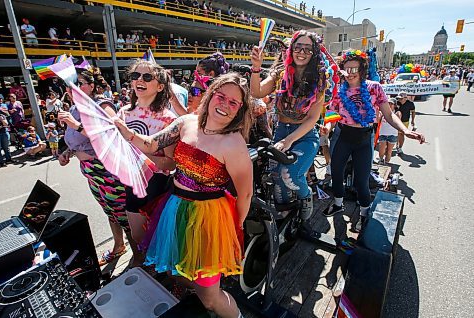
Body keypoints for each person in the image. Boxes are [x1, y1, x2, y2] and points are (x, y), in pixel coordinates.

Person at [114, 73, 253, 318]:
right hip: (175, 207)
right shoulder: (187, 122)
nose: (225, 105)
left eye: (234, 102)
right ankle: (188, 291)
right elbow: (151, 144)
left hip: (210, 219)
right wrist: (127, 133)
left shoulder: (234, 143)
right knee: (174, 267)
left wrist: (236, 226)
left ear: (240, 110)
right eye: (221, 96)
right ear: (211, 95)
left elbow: (246, 193)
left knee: (210, 298)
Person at [321, 49, 425, 230]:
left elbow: (389, 114)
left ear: (362, 69)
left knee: (361, 180)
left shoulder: (374, 87)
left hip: (364, 138)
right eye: (347, 69)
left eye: (354, 69)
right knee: (336, 173)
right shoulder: (340, 90)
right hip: (343, 135)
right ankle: (338, 204)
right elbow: (332, 113)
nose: (350, 73)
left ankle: (363, 213)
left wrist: (404, 131)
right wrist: (327, 127)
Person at [250, 30, 328, 228]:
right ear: (291, 50)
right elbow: (256, 91)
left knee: (290, 175)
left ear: (314, 52)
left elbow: (312, 118)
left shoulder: (320, 79)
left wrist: (289, 140)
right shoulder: (279, 74)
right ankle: (285, 214)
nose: (301, 52)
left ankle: (306, 196)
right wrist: (256, 68)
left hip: (304, 135)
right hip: (281, 131)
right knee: (277, 177)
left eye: (307, 48)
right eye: (298, 47)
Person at [57, 66, 132, 267]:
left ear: (91, 86)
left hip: (107, 170)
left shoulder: (103, 105)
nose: (72, 89)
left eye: (78, 84)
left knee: (123, 214)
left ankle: (140, 255)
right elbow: (76, 141)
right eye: (68, 86)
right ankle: (119, 246)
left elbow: (109, 137)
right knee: (109, 211)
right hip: (90, 171)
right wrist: (67, 152)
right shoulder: (73, 109)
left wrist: (76, 125)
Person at [117, 60, 177, 267]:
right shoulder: (123, 112)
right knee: (137, 234)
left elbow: (170, 164)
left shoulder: (168, 119)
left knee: (150, 233)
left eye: (147, 77)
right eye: (135, 76)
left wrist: (139, 150)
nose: (139, 80)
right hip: (128, 179)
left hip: (154, 183)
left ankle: (160, 268)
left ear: (160, 86)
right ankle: (149, 263)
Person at [377, 98, 401, 164]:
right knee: (381, 149)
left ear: (395, 105)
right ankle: (381, 160)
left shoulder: (397, 113)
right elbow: (377, 119)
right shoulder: (382, 112)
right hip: (383, 133)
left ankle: (386, 162)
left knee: (389, 151)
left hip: (392, 134)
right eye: (388, 103)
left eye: (391, 104)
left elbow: (398, 121)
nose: (389, 105)